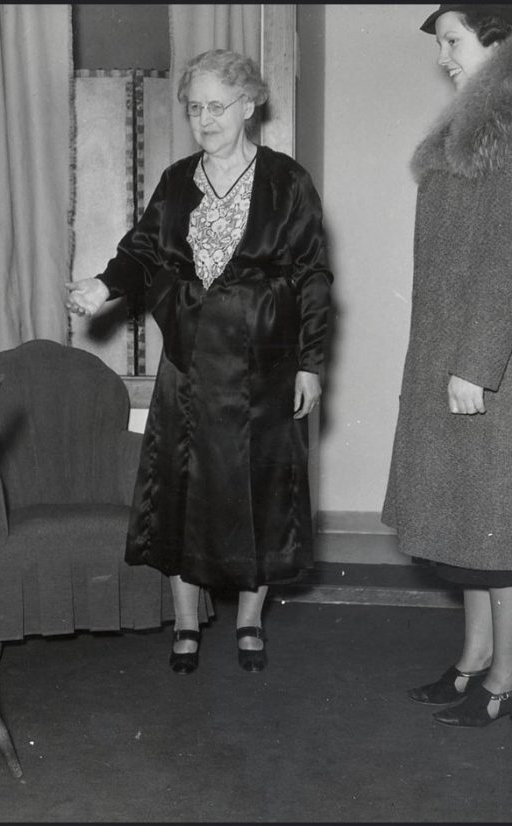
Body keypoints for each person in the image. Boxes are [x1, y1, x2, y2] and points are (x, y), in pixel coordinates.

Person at [65, 49, 333, 674]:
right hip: (188, 366)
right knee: (182, 491)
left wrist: (310, 363)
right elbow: (142, 251)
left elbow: (313, 276)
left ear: (249, 105)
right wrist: (103, 287)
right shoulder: (177, 179)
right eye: (194, 108)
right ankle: (186, 621)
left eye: (217, 106)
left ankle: (247, 619)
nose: (205, 120)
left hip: (265, 369)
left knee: (260, 493)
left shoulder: (286, 181)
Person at [383, 5, 512, 726]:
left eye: (453, 41)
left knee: (501, 526)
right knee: (467, 518)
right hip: (459, 352)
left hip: (501, 363)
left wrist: (476, 363)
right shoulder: (475, 123)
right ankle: (471, 661)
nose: (442, 57)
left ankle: (511, 676)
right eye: (440, 44)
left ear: (497, 41)